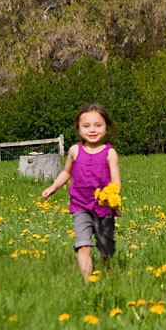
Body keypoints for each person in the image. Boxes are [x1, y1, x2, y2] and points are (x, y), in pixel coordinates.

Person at [42, 104, 121, 283]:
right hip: (81, 206)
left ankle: (105, 274)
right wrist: (53, 187)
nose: (92, 130)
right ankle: (88, 283)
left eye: (98, 125)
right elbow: (67, 172)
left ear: (106, 127)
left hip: (104, 208)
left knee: (106, 248)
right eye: (86, 126)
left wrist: (112, 195)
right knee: (83, 244)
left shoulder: (110, 153)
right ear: (78, 128)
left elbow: (116, 180)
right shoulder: (75, 151)